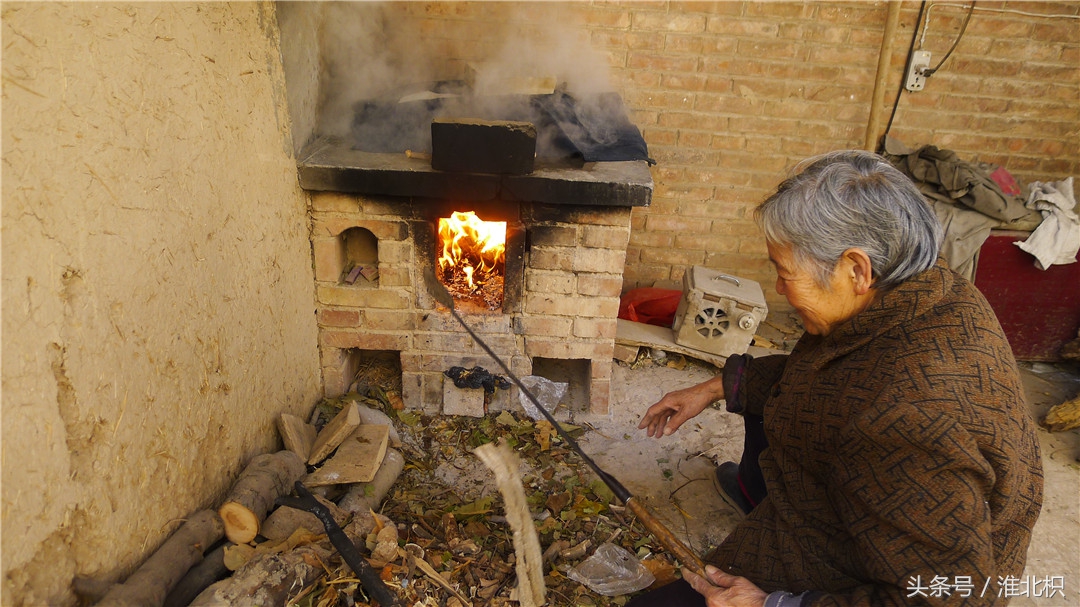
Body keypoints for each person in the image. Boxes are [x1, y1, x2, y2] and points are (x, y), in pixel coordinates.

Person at [631, 150, 1044, 607]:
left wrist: (774, 604)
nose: (780, 290)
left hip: (882, 578)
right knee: (766, 399)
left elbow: (951, 600)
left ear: (856, 270)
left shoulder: (907, 426)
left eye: (785, 273)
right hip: (879, 506)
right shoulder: (925, 290)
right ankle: (757, 490)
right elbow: (831, 375)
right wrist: (714, 388)